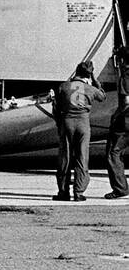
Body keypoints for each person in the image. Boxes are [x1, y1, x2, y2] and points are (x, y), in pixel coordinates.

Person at [52, 61, 106, 202]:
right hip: (83, 123)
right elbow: (102, 96)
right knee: (82, 157)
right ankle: (79, 192)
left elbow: (56, 107)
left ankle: (63, 192)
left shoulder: (63, 87)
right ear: (89, 74)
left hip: (67, 122)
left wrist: (60, 124)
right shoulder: (90, 89)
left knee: (65, 157)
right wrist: (95, 81)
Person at [106, 46, 129, 200]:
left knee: (113, 153)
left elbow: (126, 102)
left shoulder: (125, 77)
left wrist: (116, 116)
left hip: (126, 121)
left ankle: (120, 188)